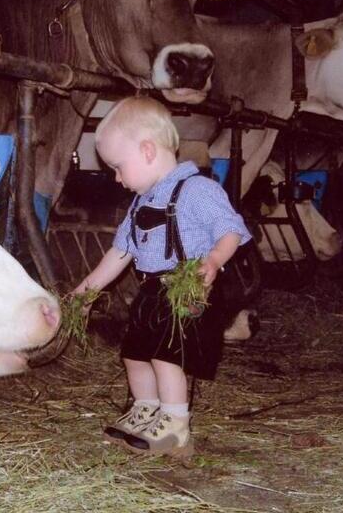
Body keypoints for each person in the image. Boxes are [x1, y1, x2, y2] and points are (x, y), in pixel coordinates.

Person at [73, 96, 252, 458]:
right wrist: (85, 291)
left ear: (148, 150)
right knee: (135, 352)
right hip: (153, 289)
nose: (118, 179)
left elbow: (230, 229)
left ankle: (174, 424)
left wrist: (215, 260)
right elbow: (120, 252)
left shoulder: (197, 190)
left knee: (167, 355)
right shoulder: (141, 202)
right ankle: (145, 409)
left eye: (118, 167)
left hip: (190, 288)